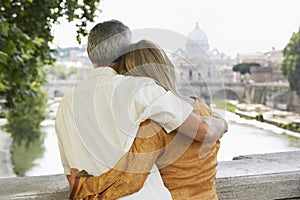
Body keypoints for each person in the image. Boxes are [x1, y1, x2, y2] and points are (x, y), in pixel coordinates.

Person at [55, 20, 227, 199]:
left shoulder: (65, 104)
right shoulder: (141, 89)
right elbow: (203, 129)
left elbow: (73, 179)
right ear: (126, 53)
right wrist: (221, 122)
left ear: (89, 54)